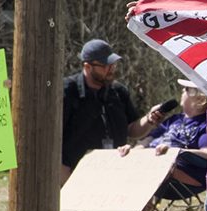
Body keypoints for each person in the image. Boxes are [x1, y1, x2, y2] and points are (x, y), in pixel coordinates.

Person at [61, 39, 166, 185]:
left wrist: (150, 120)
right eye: (105, 66)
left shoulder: (118, 92)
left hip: (114, 170)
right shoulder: (66, 91)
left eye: (113, 65)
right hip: (74, 171)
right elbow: (53, 137)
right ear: (87, 66)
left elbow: (132, 130)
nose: (111, 70)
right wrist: (62, 172)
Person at [122, 79, 207, 200]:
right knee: (122, 157)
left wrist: (175, 152)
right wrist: (132, 152)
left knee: (162, 165)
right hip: (149, 162)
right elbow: (145, 141)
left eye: (187, 89)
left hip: (179, 174)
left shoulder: (205, 124)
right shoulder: (174, 119)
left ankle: (143, 207)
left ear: (200, 99)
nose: (183, 90)